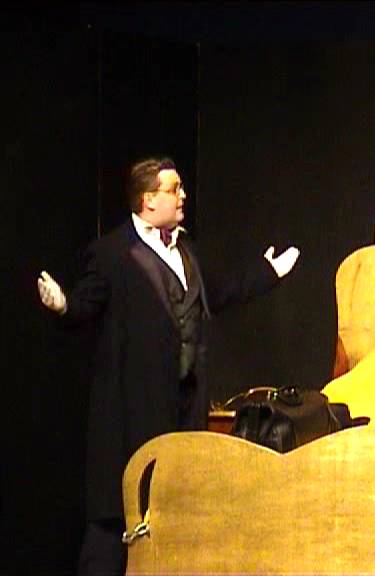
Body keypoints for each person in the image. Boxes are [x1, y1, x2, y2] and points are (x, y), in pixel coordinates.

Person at [37, 156, 300, 576]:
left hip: (182, 409)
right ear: (148, 199)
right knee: (114, 524)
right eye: (173, 189)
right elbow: (86, 305)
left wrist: (266, 273)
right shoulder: (112, 253)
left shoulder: (187, 250)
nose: (183, 196)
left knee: (174, 520)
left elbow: (217, 293)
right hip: (131, 414)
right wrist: (64, 305)